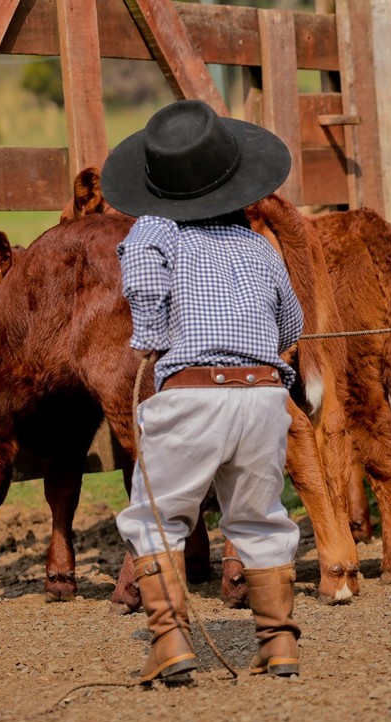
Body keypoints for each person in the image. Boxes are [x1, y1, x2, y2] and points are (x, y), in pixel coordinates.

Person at [101, 99, 304, 684]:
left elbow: (143, 275)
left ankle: (169, 642)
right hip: (264, 395)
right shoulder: (259, 246)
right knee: (261, 517)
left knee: (155, 516)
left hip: (192, 394)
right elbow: (290, 326)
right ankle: (278, 642)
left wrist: (151, 336)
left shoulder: (154, 230)